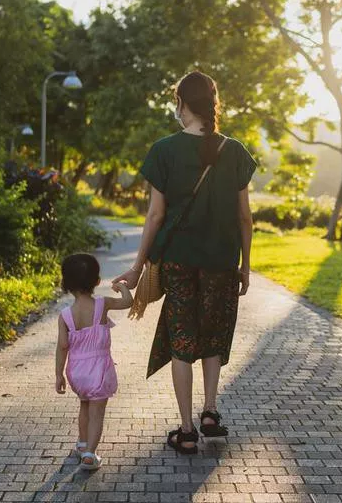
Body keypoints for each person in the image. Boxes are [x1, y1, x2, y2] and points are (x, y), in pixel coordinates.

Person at [112, 70, 257, 454]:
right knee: (213, 336)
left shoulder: (164, 150)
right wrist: (245, 265)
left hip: (177, 262)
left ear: (182, 104)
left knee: (182, 341)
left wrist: (138, 266)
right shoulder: (235, 151)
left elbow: (156, 216)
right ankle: (211, 412)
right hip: (222, 262)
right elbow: (245, 218)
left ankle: (188, 429)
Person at [55, 253, 134, 470]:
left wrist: (58, 375)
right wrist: (122, 286)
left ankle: (81, 444)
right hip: (99, 371)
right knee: (97, 413)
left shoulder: (65, 316)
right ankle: (90, 454)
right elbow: (128, 302)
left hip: (77, 373)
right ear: (97, 282)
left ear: (66, 284)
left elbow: (62, 346)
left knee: (84, 406)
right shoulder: (102, 304)